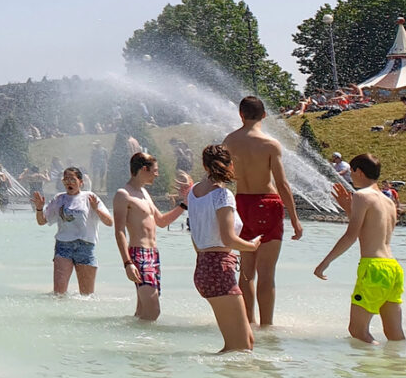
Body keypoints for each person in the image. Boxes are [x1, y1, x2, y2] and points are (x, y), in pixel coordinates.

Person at [216, 95, 305, 328]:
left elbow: (222, 179)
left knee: (246, 272)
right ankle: (267, 326)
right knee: (267, 273)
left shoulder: (229, 142)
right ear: (264, 115)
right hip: (269, 202)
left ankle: (247, 324)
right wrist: (295, 219)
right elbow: (282, 184)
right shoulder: (270, 144)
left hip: (241, 203)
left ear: (241, 114)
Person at [314, 153, 403, 342]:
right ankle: (399, 369)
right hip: (393, 268)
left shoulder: (361, 196)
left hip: (374, 268)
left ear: (359, 172)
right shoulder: (388, 202)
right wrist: (349, 209)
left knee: (357, 330)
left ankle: (374, 367)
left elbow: (351, 235)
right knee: (395, 334)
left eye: (352, 172)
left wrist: (324, 263)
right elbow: (372, 230)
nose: (350, 177)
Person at [183, 144, 261, 353]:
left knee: (247, 342)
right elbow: (229, 239)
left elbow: (195, 237)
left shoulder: (194, 193)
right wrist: (252, 246)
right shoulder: (222, 195)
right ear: (230, 165)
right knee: (240, 348)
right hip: (219, 268)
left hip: (203, 267)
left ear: (204, 165)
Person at [111, 152, 183, 321]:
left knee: (143, 312)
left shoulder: (143, 192)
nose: (157, 174)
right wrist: (127, 263)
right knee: (153, 311)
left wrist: (184, 204)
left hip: (153, 254)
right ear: (144, 169)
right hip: (139, 254)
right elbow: (119, 231)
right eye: (155, 170)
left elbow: (162, 221)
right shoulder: (123, 194)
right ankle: (145, 345)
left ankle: (135, 344)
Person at [32, 166, 113, 296]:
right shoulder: (59, 199)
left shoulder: (90, 197)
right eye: (66, 179)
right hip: (63, 246)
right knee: (58, 294)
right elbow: (42, 221)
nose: (69, 182)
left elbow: (109, 222)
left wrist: (96, 209)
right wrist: (39, 209)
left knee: (86, 296)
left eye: (72, 179)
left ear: (81, 182)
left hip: (85, 247)